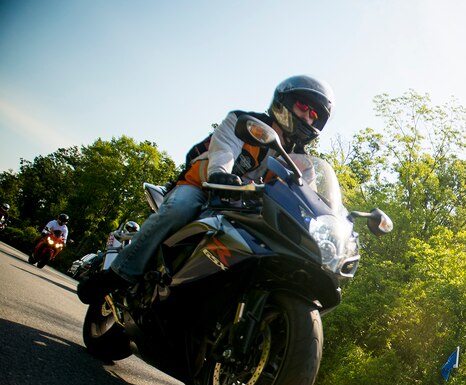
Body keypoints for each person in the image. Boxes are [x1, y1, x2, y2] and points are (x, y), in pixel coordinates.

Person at [78, 75, 335, 304]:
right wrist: (220, 174)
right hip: (203, 189)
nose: (308, 116)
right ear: (284, 101)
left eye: (315, 115)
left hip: (250, 211)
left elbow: (306, 196)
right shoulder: (244, 122)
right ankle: (118, 275)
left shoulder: (303, 163)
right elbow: (224, 150)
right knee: (179, 209)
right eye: (304, 107)